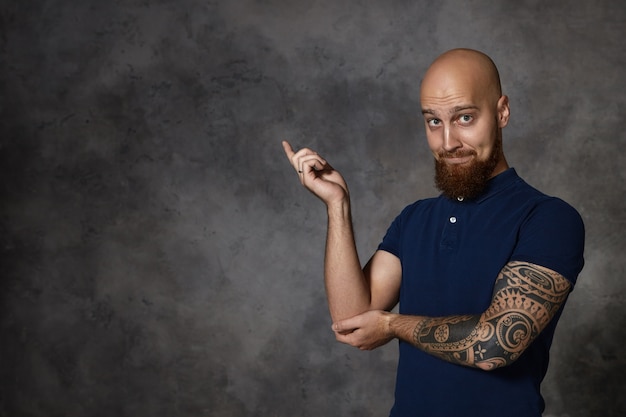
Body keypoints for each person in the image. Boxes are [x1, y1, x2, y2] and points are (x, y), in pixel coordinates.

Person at [282, 48, 585, 417]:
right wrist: (337, 206)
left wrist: (393, 325)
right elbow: (352, 319)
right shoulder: (414, 219)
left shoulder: (548, 218)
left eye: (465, 117)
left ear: (502, 112)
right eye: (434, 122)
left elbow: (496, 345)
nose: (448, 142)